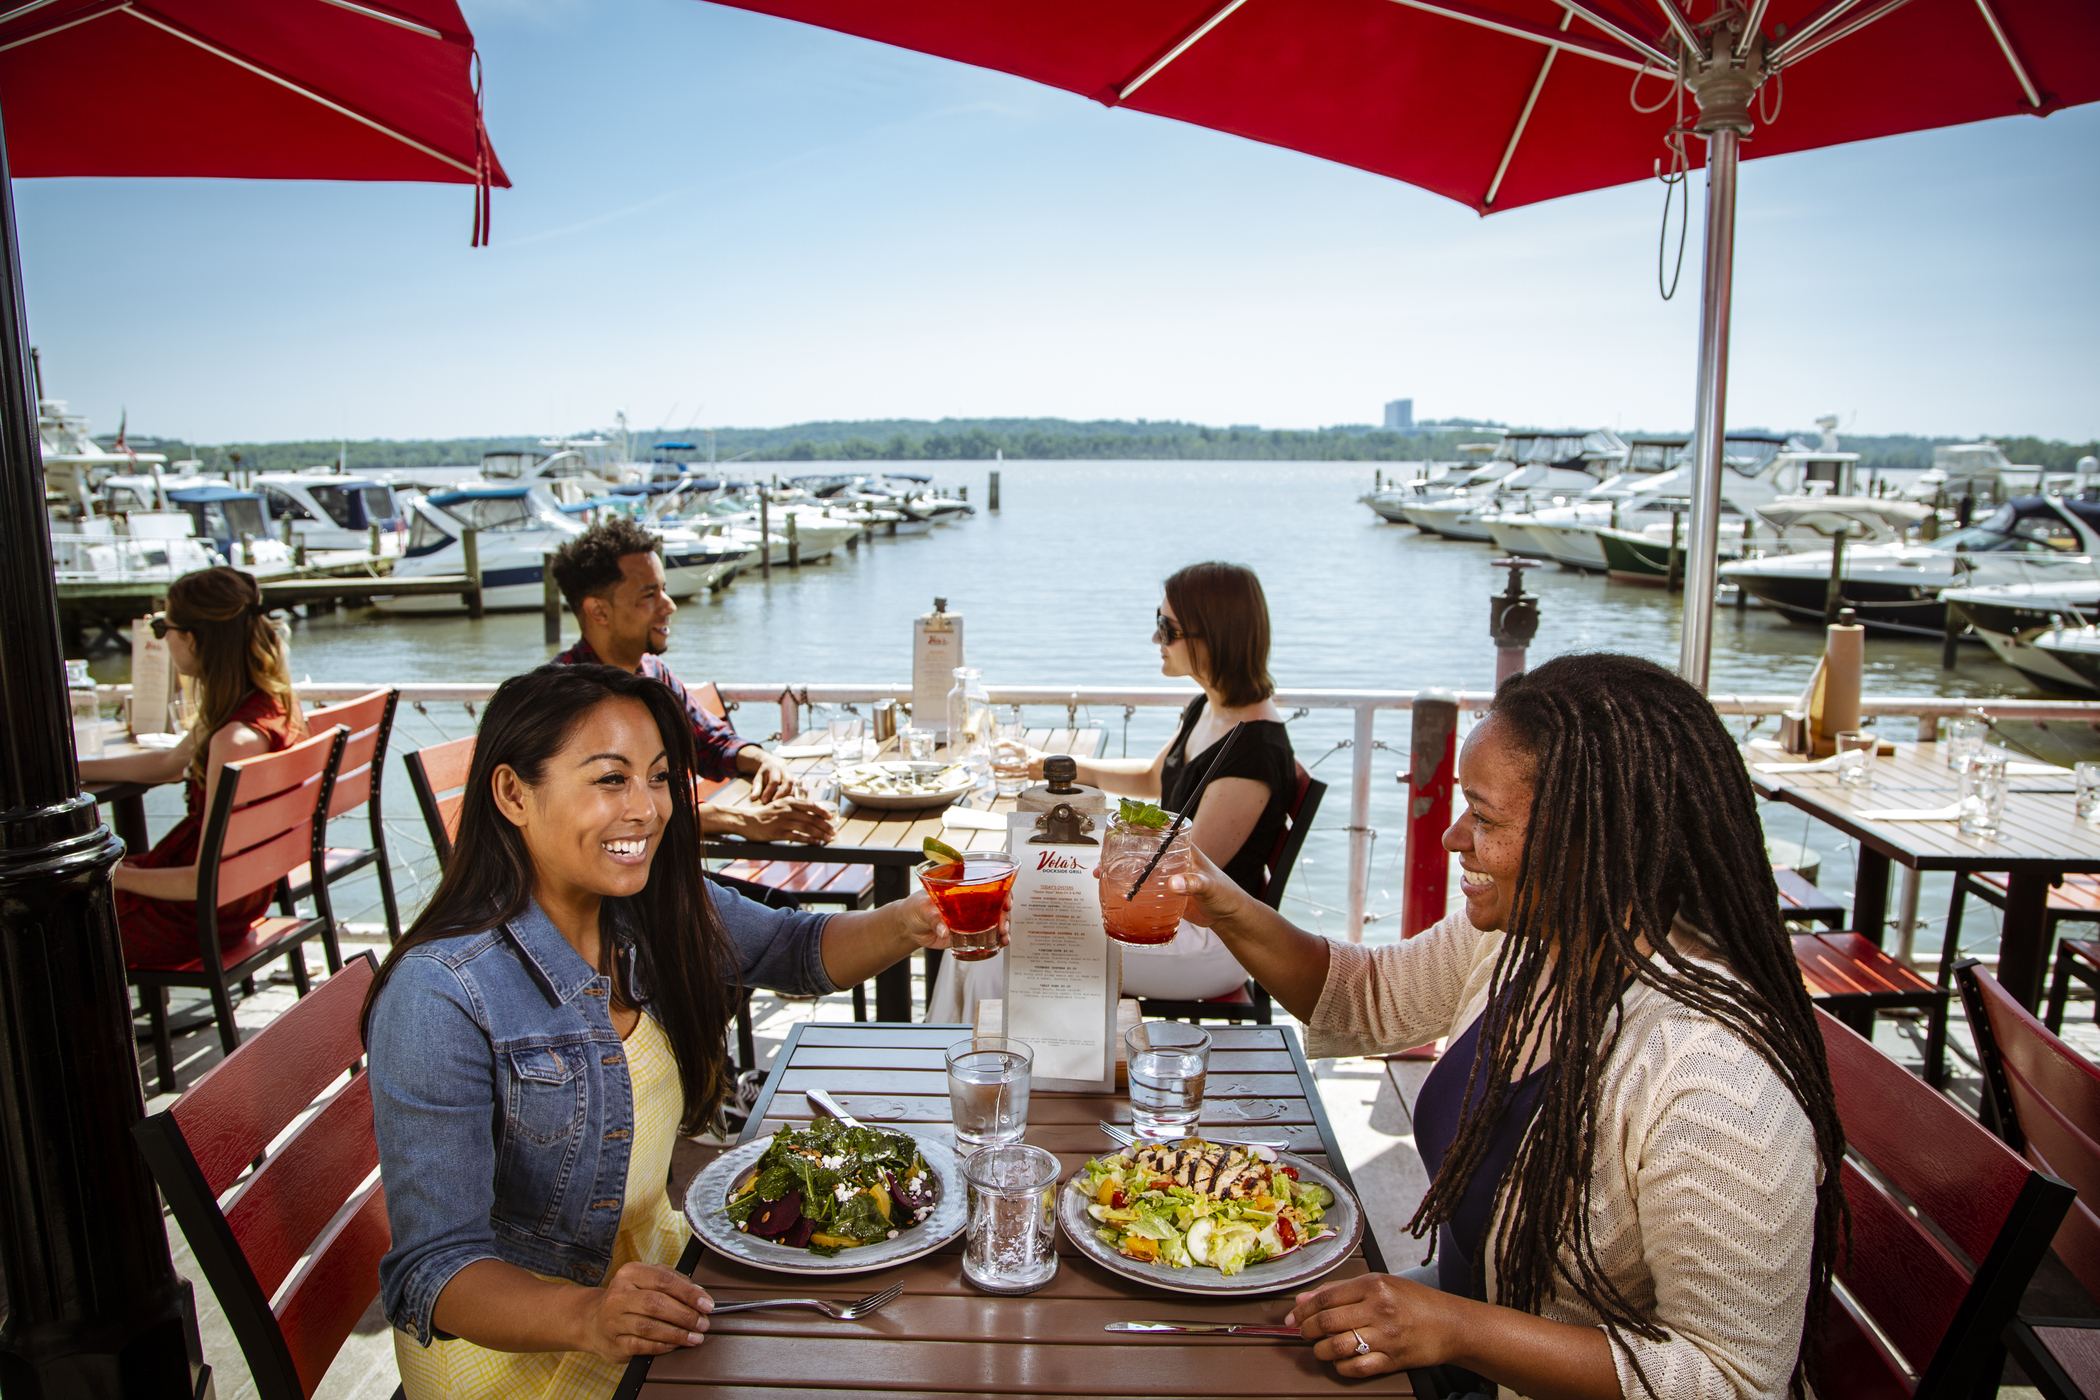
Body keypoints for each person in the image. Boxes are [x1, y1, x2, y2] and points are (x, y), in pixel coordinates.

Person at [1168, 653, 1843, 1400]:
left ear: (1595, 837)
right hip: (1465, 1343)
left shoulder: (1712, 1077)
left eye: (1484, 818)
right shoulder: (1528, 938)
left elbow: (1730, 1381)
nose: (1456, 837)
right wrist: (1217, 897)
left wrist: (1459, 1329)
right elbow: (1361, 995)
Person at [365, 664, 989, 1399]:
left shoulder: (648, 909)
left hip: (666, 1289)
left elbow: (793, 950)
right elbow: (437, 1270)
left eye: (659, 778)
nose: (647, 809)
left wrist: (915, 921)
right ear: (512, 794)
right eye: (610, 780)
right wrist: (590, 1314)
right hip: (527, 1357)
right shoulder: (440, 994)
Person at [547, 517, 832, 844]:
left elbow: (711, 744)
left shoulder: (653, 673)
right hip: (616, 886)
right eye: (648, 595)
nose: (669, 606)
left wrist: (765, 761)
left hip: (672, 868)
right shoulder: (561, 701)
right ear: (598, 611)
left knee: (785, 898)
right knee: (784, 899)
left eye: (664, 590)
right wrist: (738, 820)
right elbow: (610, 814)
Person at [79, 566, 308, 965]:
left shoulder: (234, 740)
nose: (162, 638)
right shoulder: (267, 707)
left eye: (162, 627)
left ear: (190, 637)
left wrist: (105, 874)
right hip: (239, 901)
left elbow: (204, 882)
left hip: (196, 919)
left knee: (46, 916)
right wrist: (71, 769)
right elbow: (168, 765)